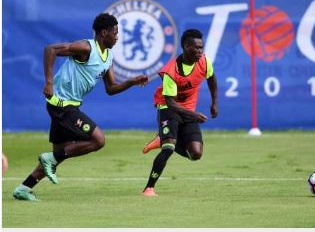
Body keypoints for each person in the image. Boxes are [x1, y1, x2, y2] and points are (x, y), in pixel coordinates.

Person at [13, 13, 149, 201]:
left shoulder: (108, 56)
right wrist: (49, 82)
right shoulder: (86, 48)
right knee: (98, 140)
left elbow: (111, 88)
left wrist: (132, 82)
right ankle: (47, 161)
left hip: (70, 105)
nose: (117, 37)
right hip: (61, 104)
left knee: (58, 154)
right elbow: (50, 50)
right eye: (115, 33)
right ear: (104, 33)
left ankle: (24, 188)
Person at [142, 29, 218, 196]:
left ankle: (162, 138)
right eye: (196, 47)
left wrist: (214, 103)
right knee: (168, 148)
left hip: (188, 110)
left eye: (201, 47)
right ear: (186, 46)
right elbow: (170, 103)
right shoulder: (171, 71)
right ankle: (149, 188)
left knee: (196, 154)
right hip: (168, 108)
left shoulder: (204, 62)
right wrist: (194, 115)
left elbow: (211, 78)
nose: (200, 51)